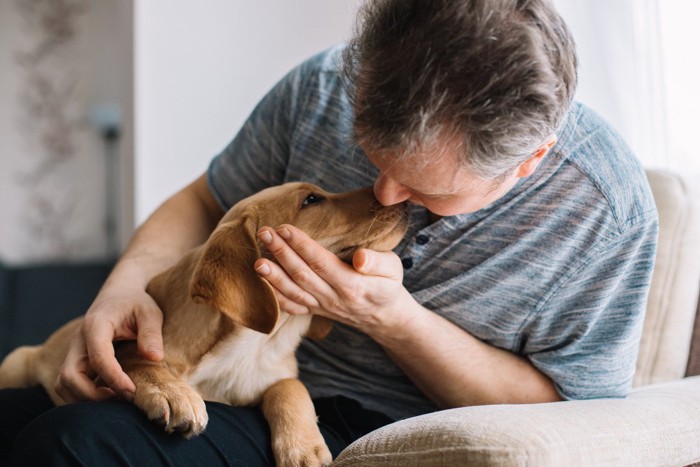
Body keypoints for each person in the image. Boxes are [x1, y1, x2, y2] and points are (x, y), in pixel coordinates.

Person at [1, 0, 658, 465]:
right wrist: (120, 287)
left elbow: (572, 409)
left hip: (396, 430)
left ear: (530, 160)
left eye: (427, 189)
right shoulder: (319, 88)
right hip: (245, 384)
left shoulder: (606, 216)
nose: (384, 196)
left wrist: (393, 320)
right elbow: (209, 199)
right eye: (372, 156)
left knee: (76, 444)